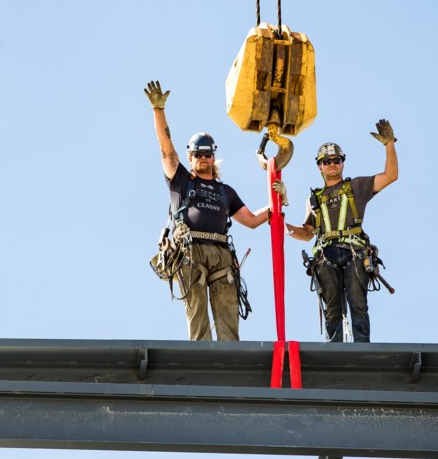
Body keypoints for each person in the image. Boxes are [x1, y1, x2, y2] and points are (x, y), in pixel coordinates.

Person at [144, 80, 288, 342]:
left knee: (227, 314)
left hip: (221, 254)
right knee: (197, 313)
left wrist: (277, 203)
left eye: (206, 154)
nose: (202, 158)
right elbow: (166, 146)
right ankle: (202, 362)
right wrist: (158, 110)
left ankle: (230, 362)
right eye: (197, 154)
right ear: (190, 157)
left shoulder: (226, 192)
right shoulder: (181, 180)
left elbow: (253, 220)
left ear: (213, 157)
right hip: (190, 252)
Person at [285, 119, 398, 343]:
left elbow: (390, 175)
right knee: (332, 308)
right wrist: (281, 224)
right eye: (327, 161)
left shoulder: (356, 187)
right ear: (319, 166)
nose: (332, 164)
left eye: (336, 160)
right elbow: (307, 232)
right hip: (326, 256)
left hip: (353, 251)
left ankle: (361, 349)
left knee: (358, 303)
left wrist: (389, 145)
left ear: (343, 163)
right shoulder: (314, 198)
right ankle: (333, 351)